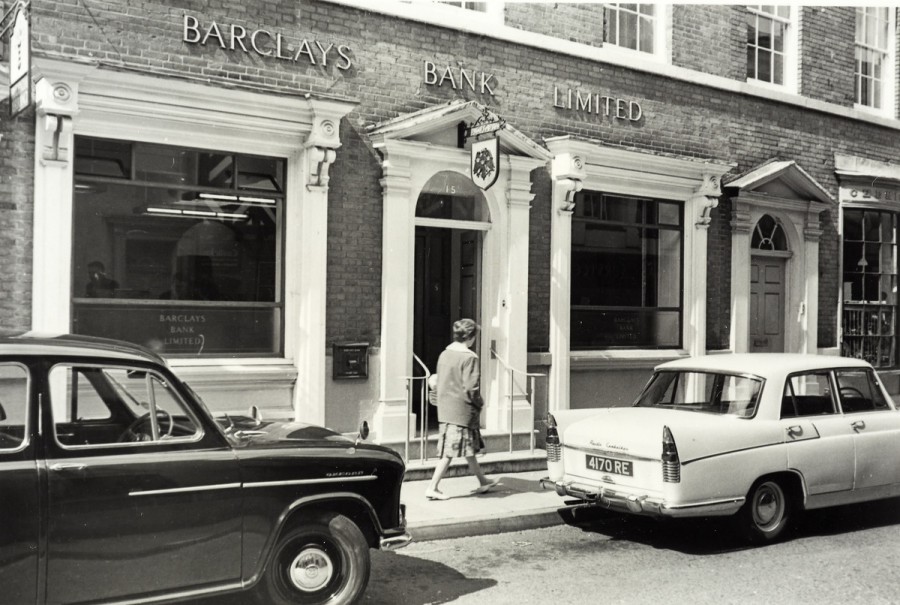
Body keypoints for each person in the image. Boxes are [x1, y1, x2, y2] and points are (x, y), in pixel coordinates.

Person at [424, 318, 499, 501]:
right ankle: (432, 487)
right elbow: (471, 388)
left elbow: (439, 380)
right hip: (462, 411)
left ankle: (483, 481)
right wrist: (480, 403)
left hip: (445, 410)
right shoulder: (469, 357)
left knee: (468, 450)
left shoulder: (444, 354)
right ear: (471, 337)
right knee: (449, 452)